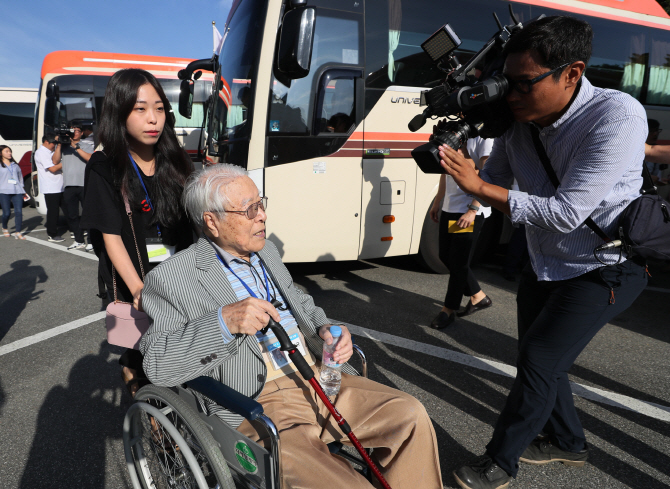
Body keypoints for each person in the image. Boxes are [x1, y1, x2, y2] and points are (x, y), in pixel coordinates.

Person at [438, 16, 649, 489]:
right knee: (544, 362)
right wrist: (461, 167)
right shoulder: (518, 122)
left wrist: (477, 187)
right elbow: (495, 181)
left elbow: (566, 213)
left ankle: (499, 461)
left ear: (571, 73)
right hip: (545, 261)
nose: (509, 94)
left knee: (537, 357)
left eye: (522, 84)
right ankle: (569, 443)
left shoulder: (618, 116)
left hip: (604, 266)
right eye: (505, 82)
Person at [140, 164, 443, 489]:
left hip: (321, 377)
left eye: (261, 203)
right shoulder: (171, 277)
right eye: (249, 209)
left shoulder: (266, 251)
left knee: (411, 416)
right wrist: (223, 323)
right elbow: (157, 362)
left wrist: (325, 329)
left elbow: (300, 301)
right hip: (259, 401)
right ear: (212, 221)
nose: (262, 216)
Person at [80, 68, 194, 396]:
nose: (153, 118)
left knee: (181, 342)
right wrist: (138, 289)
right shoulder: (104, 166)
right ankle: (146, 391)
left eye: (159, 108)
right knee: (147, 342)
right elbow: (109, 236)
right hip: (137, 272)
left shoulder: (175, 159)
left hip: (177, 268)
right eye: (140, 109)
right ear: (119, 112)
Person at [429, 136, 493, 329]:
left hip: (468, 209)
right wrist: (437, 201)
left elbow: (488, 174)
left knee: (458, 261)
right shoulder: (456, 134)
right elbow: (445, 172)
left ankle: (448, 310)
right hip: (451, 207)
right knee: (446, 256)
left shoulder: (484, 138)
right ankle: (478, 296)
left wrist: (473, 209)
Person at [52, 123, 94, 249]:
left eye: (77, 130)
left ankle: (91, 242)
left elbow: (90, 158)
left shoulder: (87, 144)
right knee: (72, 215)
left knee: (88, 214)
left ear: (81, 133)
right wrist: (59, 144)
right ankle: (79, 240)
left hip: (84, 184)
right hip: (69, 185)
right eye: (72, 130)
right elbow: (55, 161)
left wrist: (75, 147)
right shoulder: (63, 146)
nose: (74, 132)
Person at [34, 133, 66, 242]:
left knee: (68, 209)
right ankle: (52, 234)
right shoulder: (41, 153)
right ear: (46, 142)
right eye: (54, 143)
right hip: (51, 187)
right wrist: (67, 162)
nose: (55, 145)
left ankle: (73, 230)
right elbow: (52, 169)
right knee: (53, 211)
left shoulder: (51, 151)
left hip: (59, 185)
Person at [0, 145, 26, 239]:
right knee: (6, 213)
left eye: (10, 151)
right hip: (3, 191)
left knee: (19, 211)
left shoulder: (15, 165)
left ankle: (18, 232)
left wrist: (23, 190)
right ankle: (4, 227)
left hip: (17, 191)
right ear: (1, 153)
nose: (9, 153)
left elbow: (20, 178)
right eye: (6, 151)